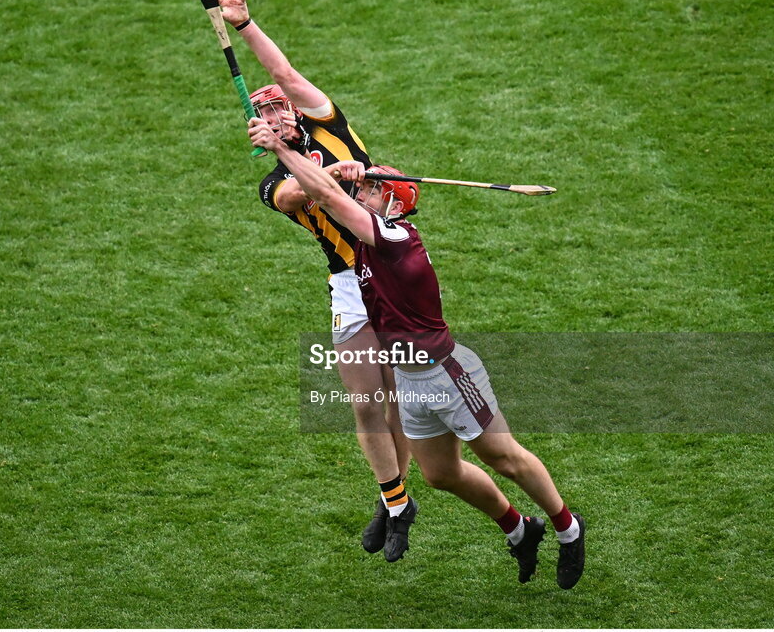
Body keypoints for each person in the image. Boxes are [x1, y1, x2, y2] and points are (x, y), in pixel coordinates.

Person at [247, 123, 587, 587]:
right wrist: (349, 169)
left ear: (391, 203)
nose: (358, 193)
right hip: (410, 380)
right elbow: (331, 193)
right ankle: (520, 530)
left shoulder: (393, 241)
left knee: (503, 457)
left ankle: (569, 528)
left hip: (447, 374)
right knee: (441, 475)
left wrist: (283, 148)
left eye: (367, 190)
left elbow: (327, 196)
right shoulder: (369, 239)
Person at [218, 0, 417, 561]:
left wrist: (244, 24)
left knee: (401, 397)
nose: (276, 111)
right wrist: (330, 174)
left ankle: (395, 503)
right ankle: (397, 501)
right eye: (265, 115)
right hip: (349, 284)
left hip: (393, 261)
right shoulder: (273, 181)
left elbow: (284, 70)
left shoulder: (326, 122)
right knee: (364, 402)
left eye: (279, 107)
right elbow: (302, 199)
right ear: (260, 132)